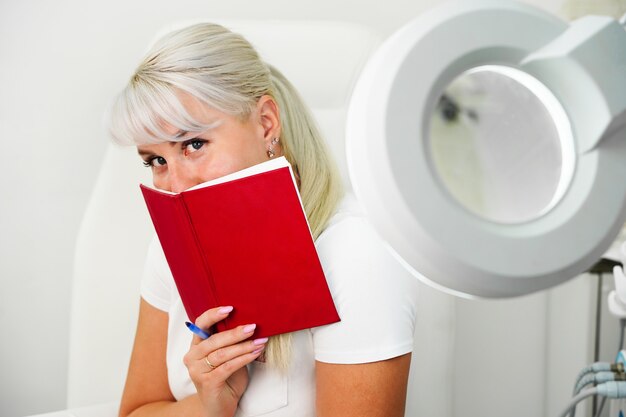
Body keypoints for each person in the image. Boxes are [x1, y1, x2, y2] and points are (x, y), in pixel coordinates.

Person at [108, 22, 419, 417]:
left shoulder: (357, 255)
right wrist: (209, 405)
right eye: (156, 161)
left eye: (194, 144)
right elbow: (136, 411)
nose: (176, 185)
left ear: (266, 123)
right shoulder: (175, 245)